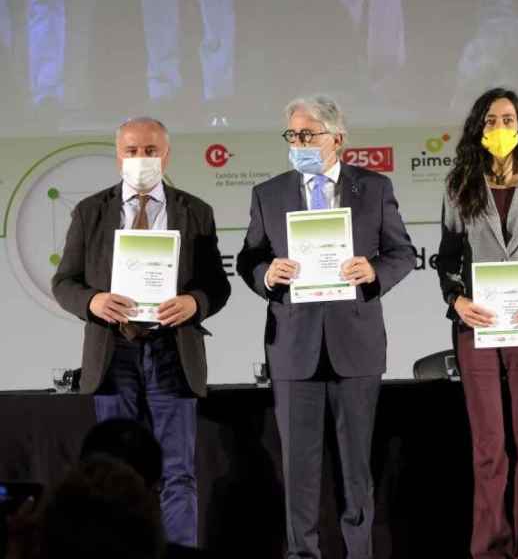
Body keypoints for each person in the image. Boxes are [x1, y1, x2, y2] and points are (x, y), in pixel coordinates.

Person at [236, 94, 415, 559]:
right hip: (293, 347)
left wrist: (375, 273)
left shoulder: (373, 188)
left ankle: (359, 553)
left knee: (356, 467)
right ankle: (302, 554)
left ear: (337, 138)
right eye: (293, 135)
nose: (299, 143)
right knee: (298, 468)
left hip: (354, 344)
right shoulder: (268, 193)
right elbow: (250, 257)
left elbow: (402, 253)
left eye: (308, 134)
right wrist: (265, 275)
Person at [51, 116, 231, 548]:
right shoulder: (90, 210)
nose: (140, 159)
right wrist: (92, 302)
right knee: (113, 472)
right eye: (131, 151)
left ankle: (180, 550)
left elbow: (216, 285)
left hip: (173, 351)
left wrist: (195, 303)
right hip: (114, 354)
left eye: (150, 151)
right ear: (118, 156)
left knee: (178, 472)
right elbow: (65, 282)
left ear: (166, 154)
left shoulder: (196, 210)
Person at [437, 87, 518, 559]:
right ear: (478, 128)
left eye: (508, 119)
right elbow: (447, 258)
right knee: (490, 448)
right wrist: (457, 301)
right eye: (490, 121)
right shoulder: (459, 184)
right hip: (479, 328)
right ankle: (490, 549)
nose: (499, 128)